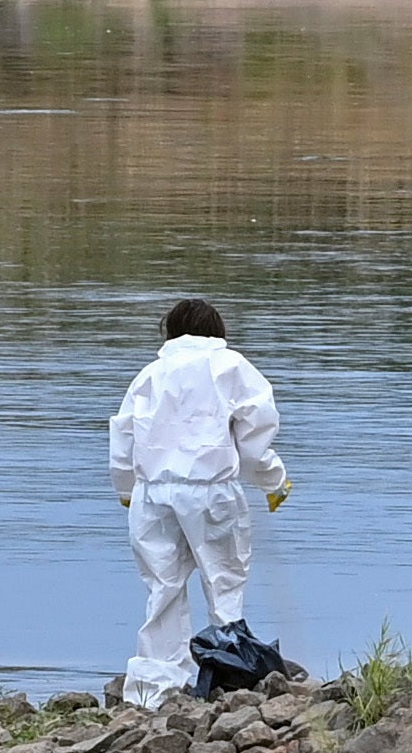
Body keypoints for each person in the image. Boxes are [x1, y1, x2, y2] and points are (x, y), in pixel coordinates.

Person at [108, 297, 288, 705]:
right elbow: (255, 441)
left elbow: (122, 439)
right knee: (224, 581)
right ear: (217, 330)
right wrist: (274, 482)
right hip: (211, 491)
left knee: (162, 588)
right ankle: (225, 679)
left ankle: (153, 690)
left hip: (152, 494)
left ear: (169, 331)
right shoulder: (231, 367)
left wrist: (125, 491)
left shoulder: (150, 375)